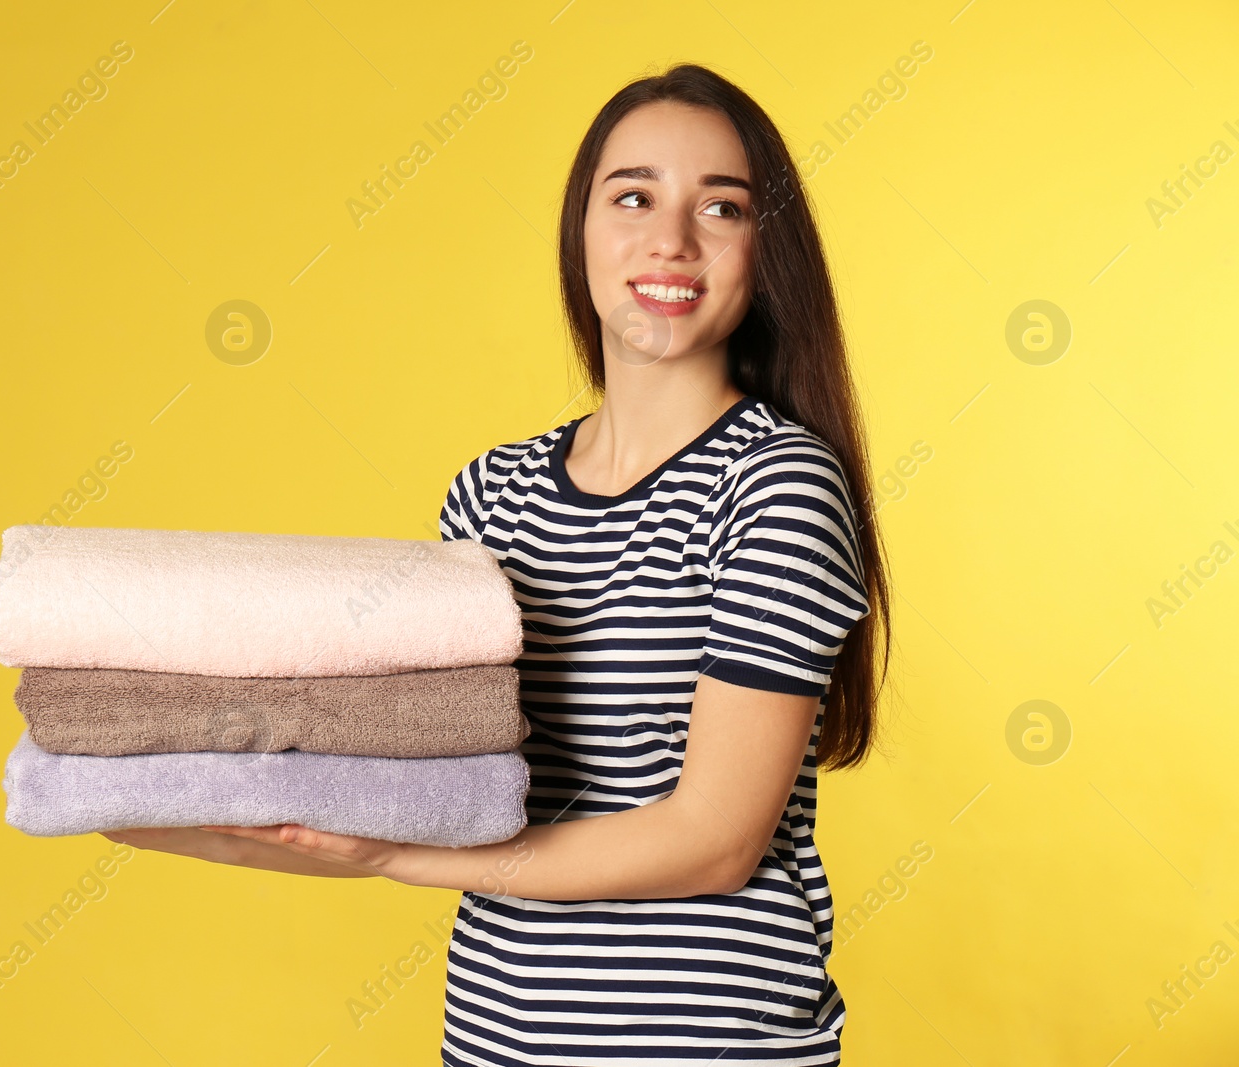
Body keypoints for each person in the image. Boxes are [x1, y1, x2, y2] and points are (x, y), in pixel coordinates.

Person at [105, 61, 892, 1065]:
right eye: (634, 196)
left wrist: (397, 851)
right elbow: (440, 804)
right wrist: (151, 795)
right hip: (500, 1037)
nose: (670, 240)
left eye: (721, 208)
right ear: (581, 231)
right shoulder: (492, 494)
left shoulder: (777, 485)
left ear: (762, 249)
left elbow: (715, 837)